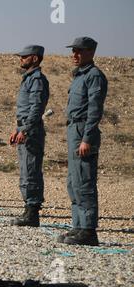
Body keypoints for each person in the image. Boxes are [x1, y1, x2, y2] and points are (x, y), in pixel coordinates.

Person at [58, 37, 108, 246]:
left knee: (85, 181)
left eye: (79, 51)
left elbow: (94, 111)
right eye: (74, 51)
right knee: (74, 181)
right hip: (74, 129)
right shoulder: (79, 76)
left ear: (91, 52)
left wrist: (87, 138)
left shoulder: (94, 76)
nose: (74, 55)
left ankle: (88, 230)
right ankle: (78, 225)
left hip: (83, 131)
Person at [9, 46, 50, 227]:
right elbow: (25, 110)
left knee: (31, 170)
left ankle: (32, 212)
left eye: (24, 57)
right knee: (26, 170)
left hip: (31, 131)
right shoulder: (28, 79)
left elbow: (36, 108)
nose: (21, 60)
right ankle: (28, 209)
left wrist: (24, 129)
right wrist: (17, 129)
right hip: (25, 128)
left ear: (34, 58)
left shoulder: (37, 80)